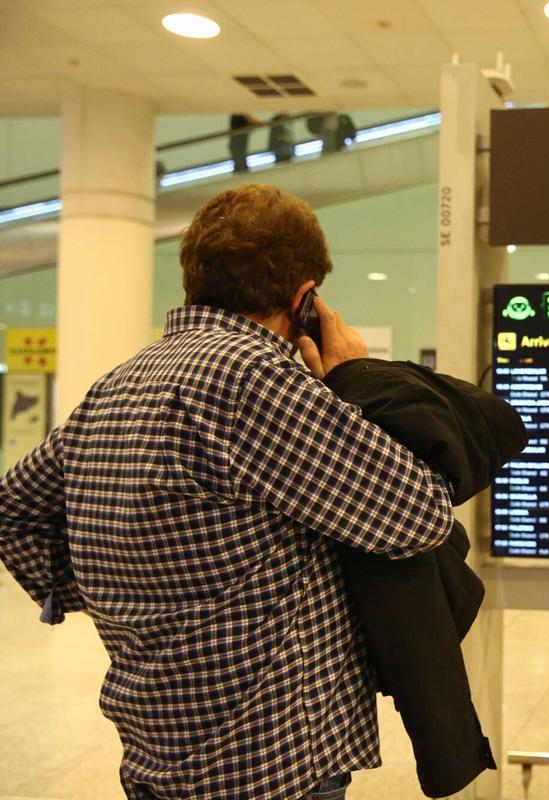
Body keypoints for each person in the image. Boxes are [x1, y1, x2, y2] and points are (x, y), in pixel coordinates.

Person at [0, 184, 455, 800]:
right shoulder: (253, 379)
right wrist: (354, 376)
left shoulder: (121, 381)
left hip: (154, 738)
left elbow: (15, 511)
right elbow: (418, 514)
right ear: (303, 300)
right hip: (265, 754)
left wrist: (122, 597)